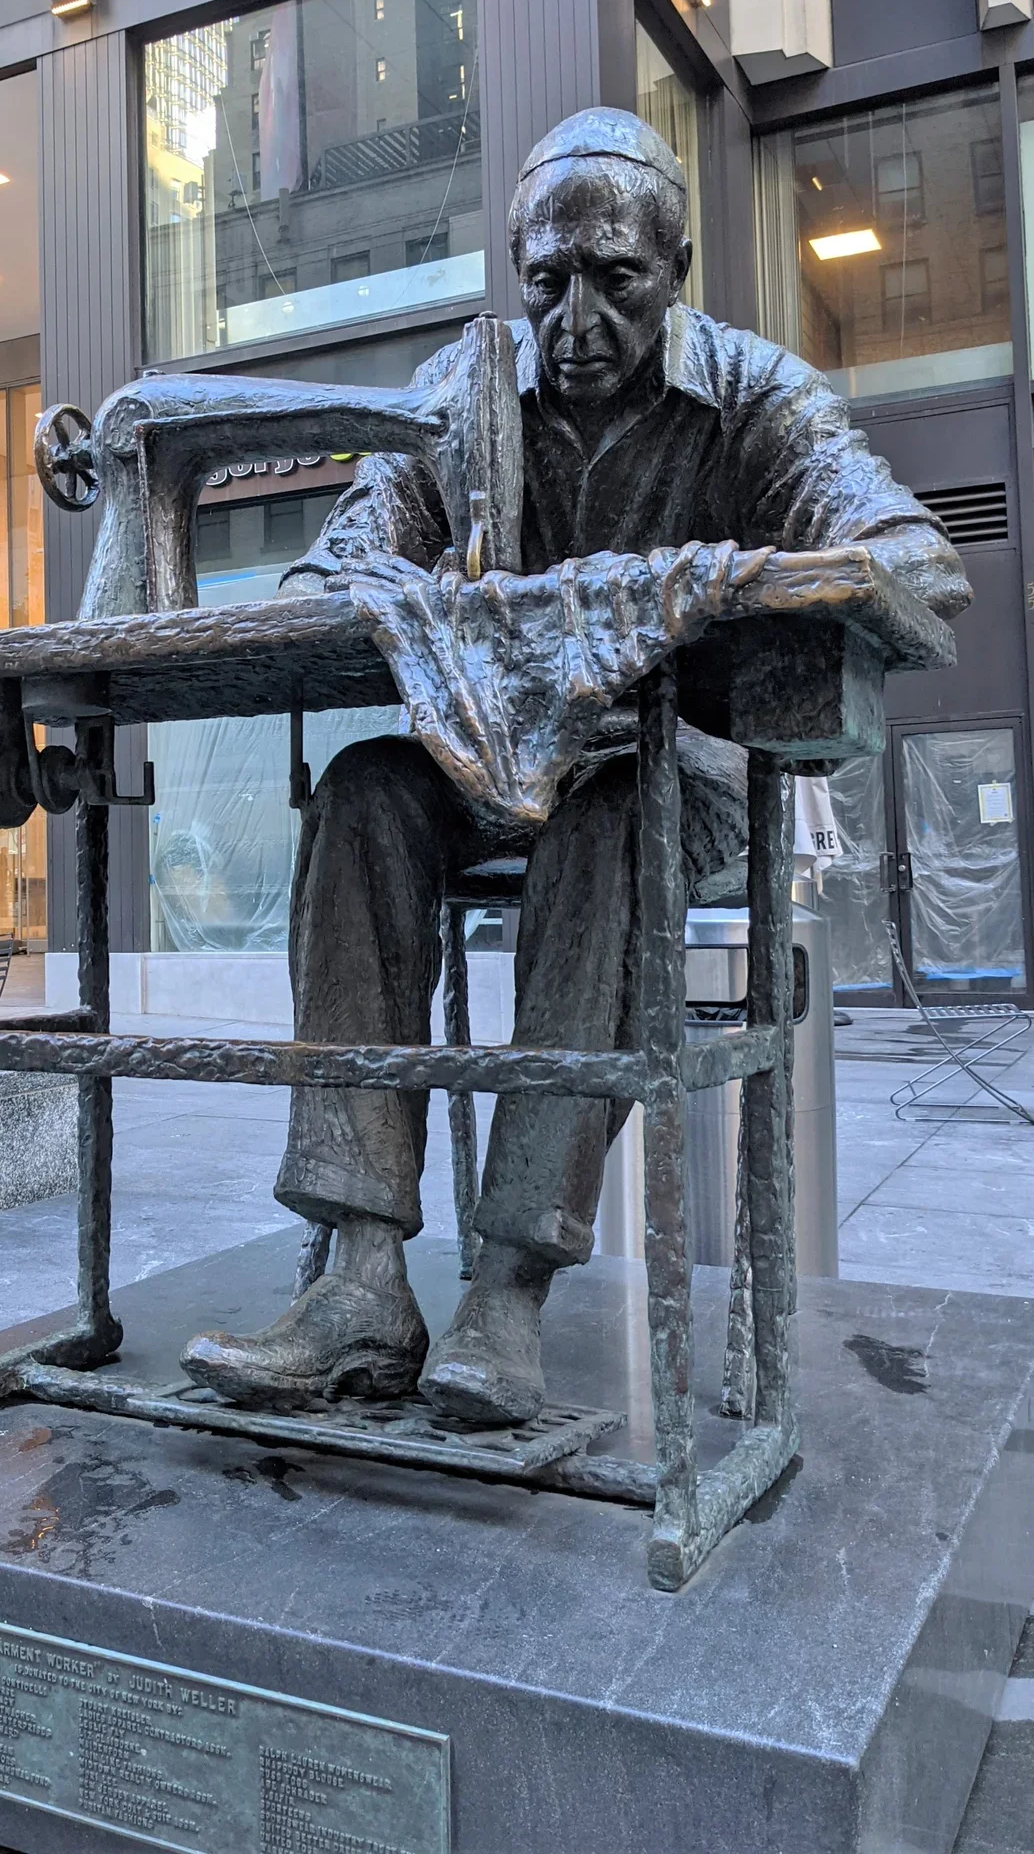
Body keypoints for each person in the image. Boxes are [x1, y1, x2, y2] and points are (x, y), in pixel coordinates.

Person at [180, 107, 970, 1427]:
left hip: (684, 774)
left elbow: (918, 557)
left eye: (618, 279)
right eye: (548, 281)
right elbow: (342, 559)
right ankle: (363, 1275)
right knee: (369, 790)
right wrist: (405, 592)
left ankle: (510, 1284)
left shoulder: (759, 395)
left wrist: (730, 589)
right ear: (517, 272)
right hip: (492, 760)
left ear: (678, 263)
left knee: (617, 805)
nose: (579, 318)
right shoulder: (463, 392)